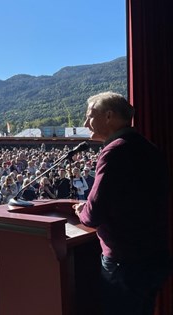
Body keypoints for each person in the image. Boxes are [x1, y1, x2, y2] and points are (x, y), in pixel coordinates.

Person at [74, 91, 171, 315]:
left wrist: (82, 209)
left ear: (108, 116)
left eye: (90, 116)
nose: (86, 123)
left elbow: (92, 215)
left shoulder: (115, 151)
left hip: (126, 264)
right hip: (154, 257)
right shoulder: (148, 147)